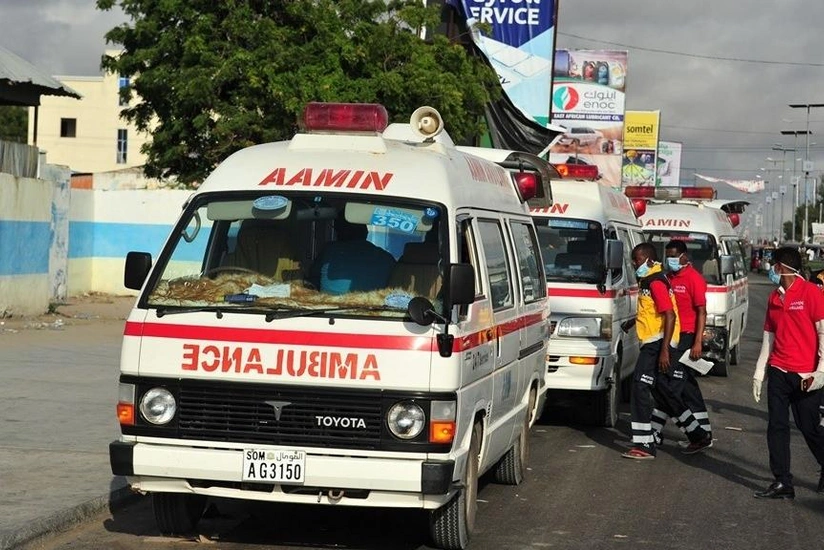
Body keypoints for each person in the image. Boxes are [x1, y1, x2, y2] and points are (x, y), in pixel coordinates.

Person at [622, 243, 712, 459]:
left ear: (649, 261)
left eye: (637, 260)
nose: (634, 264)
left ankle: (645, 444)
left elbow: (670, 315)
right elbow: (653, 311)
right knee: (665, 390)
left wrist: (667, 349)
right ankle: (697, 433)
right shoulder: (656, 279)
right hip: (661, 341)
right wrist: (633, 322)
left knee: (641, 386)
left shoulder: (657, 281)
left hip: (662, 342)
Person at [752, 246, 824, 499]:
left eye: (773, 264)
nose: (771, 269)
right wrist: (760, 372)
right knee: (777, 426)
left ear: (781, 267)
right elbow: (768, 337)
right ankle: (783, 482)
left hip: (806, 375)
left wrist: (821, 372)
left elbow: (823, 333)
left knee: (809, 427)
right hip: (779, 371)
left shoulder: (812, 293)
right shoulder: (774, 297)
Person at [651, 240, 712, 446]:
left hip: (686, 337)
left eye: (674, 256)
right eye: (667, 256)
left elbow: (702, 312)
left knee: (669, 387)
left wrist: (697, 342)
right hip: (672, 337)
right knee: (688, 388)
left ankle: (656, 430)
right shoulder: (668, 278)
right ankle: (704, 432)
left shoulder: (694, 279)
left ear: (684, 257)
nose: (670, 260)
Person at [310, 220, 396, 295]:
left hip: (330, 311)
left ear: (339, 232)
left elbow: (312, 283)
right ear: (366, 232)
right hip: (375, 312)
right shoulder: (386, 258)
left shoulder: (329, 250)